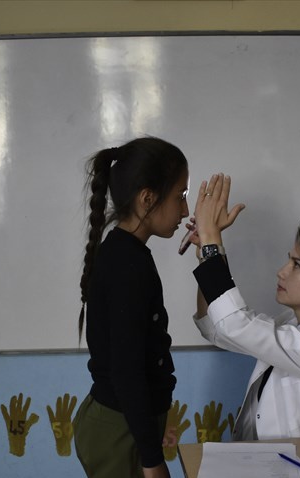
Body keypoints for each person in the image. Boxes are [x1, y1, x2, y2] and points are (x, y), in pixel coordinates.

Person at [188, 174, 300, 440]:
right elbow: (216, 327)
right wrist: (208, 252)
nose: (281, 272)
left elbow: (233, 324)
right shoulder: (290, 324)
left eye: (297, 265)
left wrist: (211, 245)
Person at [72, 137, 189, 478]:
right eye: (180, 196)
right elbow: (126, 371)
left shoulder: (126, 254)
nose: (185, 210)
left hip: (125, 422)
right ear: (147, 198)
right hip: (116, 428)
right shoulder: (128, 265)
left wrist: (152, 425)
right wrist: (152, 459)